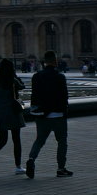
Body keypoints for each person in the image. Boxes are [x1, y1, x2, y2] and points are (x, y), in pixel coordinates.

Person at [26, 50, 72, 179]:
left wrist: (36, 111)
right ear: (54, 61)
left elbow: (34, 96)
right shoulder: (60, 77)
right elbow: (64, 96)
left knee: (39, 140)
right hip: (58, 115)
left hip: (42, 115)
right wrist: (64, 111)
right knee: (62, 142)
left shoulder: (37, 76)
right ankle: (61, 168)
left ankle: (31, 159)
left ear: (45, 62)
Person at [0, 59, 26, 175]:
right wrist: (16, 77)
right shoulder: (13, 81)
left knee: (3, 140)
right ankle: (18, 167)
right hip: (12, 113)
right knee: (16, 140)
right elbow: (23, 86)